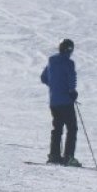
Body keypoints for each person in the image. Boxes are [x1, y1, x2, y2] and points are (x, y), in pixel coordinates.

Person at [40, 38, 79, 166]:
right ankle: (68, 156)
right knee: (72, 128)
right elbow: (71, 79)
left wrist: (55, 86)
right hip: (66, 102)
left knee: (57, 128)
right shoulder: (69, 63)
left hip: (54, 102)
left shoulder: (52, 60)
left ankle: (54, 155)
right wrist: (72, 91)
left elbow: (44, 77)